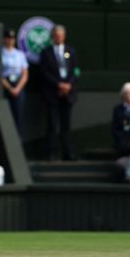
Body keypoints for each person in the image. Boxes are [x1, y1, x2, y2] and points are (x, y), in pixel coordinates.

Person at [39, 24, 77, 161]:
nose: (58, 38)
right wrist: (58, 84)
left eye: (60, 36)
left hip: (68, 94)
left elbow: (75, 71)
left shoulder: (71, 51)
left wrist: (68, 85)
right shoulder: (46, 52)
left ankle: (68, 153)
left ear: (64, 37)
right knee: (52, 125)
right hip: (52, 94)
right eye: (56, 36)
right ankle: (50, 153)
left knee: (66, 126)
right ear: (52, 37)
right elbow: (44, 73)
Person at [1, 29, 28, 136]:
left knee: (18, 116)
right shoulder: (0, 52)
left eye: (12, 38)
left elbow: (25, 74)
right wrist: (9, 88)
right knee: (5, 116)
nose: (10, 41)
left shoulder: (20, 54)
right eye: (8, 38)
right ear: (4, 39)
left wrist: (17, 88)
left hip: (18, 86)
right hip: (5, 86)